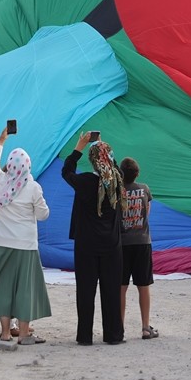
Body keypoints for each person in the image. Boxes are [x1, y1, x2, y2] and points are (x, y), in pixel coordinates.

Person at [0, 126, 52, 345]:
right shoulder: (34, 188)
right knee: (25, 288)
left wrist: (1, 140)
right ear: (27, 166)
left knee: (4, 286)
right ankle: (25, 334)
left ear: (8, 165)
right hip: (25, 245)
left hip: (0, 243)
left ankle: (6, 332)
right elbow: (43, 215)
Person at [62, 132, 127, 345]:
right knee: (111, 291)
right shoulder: (117, 181)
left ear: (91, 160)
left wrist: (79, 146)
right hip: (112, 245)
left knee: (86, 291)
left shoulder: (84, 181)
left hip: (86, 245)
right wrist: (104, 149)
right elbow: (113, 166)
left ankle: (85, 336)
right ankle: (113, 335)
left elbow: (66, 170)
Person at [119, 156, 157, 340]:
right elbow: (146, 213)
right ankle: (145, 327)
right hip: (142, 242)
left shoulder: (118, 191)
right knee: (143, 286)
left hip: (123, 244)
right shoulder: (145, 189)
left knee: (121, 287)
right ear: (137, 173)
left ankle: (119, 327)